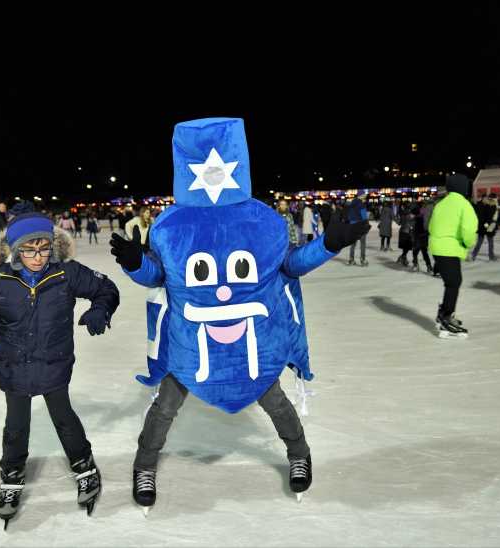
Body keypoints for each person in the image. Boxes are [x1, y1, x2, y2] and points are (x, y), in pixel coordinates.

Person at [110, 117, 369, 514]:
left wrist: (328, 244)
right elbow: (158, 277)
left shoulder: (262, 221)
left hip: (253, 340)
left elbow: (290, 267)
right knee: (165, 407)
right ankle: (144, 465)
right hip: (190, 342)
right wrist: (133, 263)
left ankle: (299, 453)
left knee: (276, 401)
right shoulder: (171, 226)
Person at [0, 203, 119, 526]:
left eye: (44, 248)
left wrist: (100, 310)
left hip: (54, 361)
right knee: (16, 425)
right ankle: (12, 474)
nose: (38, 256)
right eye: (29, 250)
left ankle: (84, 466)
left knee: (64, 418)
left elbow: (106, 289)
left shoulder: (67, 272)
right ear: (15, 249)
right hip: (12, 364)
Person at [428, 174, 477, 338]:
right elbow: (469, 230)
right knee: (453, 282)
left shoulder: (440, 204)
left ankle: (444, 314)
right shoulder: (464, 205)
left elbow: (432, 226)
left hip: (437, 248)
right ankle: (446, 318)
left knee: (452, 282)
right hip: (450, 249)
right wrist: (468, 243)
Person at [471, 194, 498, 261]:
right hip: (483, 227)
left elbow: (492, 217)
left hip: (488, 226)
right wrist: (486, 224)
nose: (487, 200)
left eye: (487, 198)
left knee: (490, 243)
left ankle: (491, 256)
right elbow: (483, 217)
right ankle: (474, 255)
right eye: (485, 198)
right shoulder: (482, 205)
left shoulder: (491, 206)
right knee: (480, 242)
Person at [347, 192, 369, 266]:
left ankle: (351, 259)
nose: (365, 197)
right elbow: (364, 217)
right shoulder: (361, 205)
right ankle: (362, 259)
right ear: (361, 196)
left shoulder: (351, 205)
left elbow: (349, 216)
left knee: (353, 244)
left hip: (352, 226)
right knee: (362, 243)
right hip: (360, 226)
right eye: (364, 196)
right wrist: (367, 225)